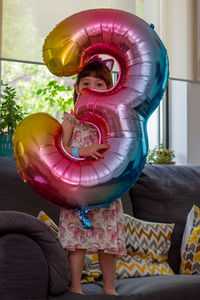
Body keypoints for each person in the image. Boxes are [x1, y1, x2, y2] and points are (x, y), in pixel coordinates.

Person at [58, 56, 126, 295]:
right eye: (86, 82)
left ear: (110, 89)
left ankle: (110, 289)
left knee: (107, 244)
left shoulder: (111, 121)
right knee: (77, 244)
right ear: (77, 89)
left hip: (105, 190)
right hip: (78, 192)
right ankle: (76, 287)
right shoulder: (71, 119)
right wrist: (81, 150)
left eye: (99, 83)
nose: (92, 87)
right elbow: (59, 149)